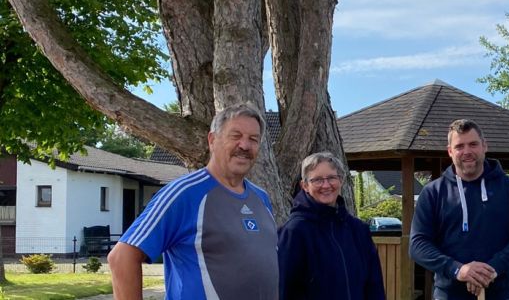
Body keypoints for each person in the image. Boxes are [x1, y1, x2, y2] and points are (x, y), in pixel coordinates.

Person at [108, 104, 278, 300]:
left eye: (253, 139)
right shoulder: (183, 194)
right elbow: (122, 258)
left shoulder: (261, 198)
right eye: (235, 136)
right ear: (212, 140)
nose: (245, 145)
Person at [410, 119, 509, 300]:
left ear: (484, 146)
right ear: (450, 151)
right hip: (448, 294)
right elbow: (417, 244)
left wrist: (492, 269)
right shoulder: (433, 192)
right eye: (459, 146)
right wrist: (458, 269)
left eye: (473, 144)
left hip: (500, 293)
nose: (467, 152)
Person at [277, 151, 386, 300]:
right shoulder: (294, 232)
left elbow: (375, 287)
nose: (326, 185)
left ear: (340, 181)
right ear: (305, 186)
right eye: (317, 180)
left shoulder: (358, 230)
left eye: (331, 178)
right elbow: (285, 290)